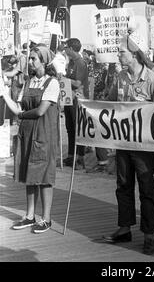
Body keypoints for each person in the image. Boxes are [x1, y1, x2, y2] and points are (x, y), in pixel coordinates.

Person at [102, 34, 154, 255]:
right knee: (123, 186)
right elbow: (110, 102)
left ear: (135, 54)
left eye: (122, 52)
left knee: (147, 189)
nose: (118, 55)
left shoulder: (153, 79)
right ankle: (124, 228)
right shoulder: (120, 77)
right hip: (122, 143)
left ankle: (149, 235)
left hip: (145, 146)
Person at [0, 45, 60, 233]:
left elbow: (41, 110)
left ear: (43, 61)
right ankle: (29, 215)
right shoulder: (28, 82)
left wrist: (22, 114)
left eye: (34, 59)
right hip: (27, 133)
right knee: (29, 173)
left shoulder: (52, 83)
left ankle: (46, 218)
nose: (30, 62)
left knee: (43, 175)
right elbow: (17, 108)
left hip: (43, 133)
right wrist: (3, 93)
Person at [63, 38, 89, 170]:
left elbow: (78, 83)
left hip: (78, 99)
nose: (65, 50)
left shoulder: (80, 63)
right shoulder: (72, 63)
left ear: (71, 49)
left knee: (77, 128)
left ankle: (80, 158)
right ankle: (71, 155)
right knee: (70, 128)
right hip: (68, 98)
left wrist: (63, 78)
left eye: (66, 48)